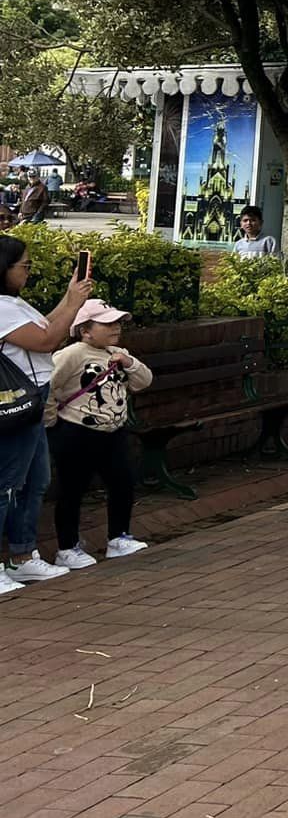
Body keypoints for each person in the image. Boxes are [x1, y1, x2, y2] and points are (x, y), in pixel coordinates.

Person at [0, 236, 93, 590]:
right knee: (6, 483)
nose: (28, 272)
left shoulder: (14, 303)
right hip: (14, 401)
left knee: (35, 480)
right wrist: (75, 302)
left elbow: (47, 326)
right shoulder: (2, 307)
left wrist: (71, 297)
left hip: (34, 398)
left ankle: (23, 556)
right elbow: (47, 340)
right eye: (24, 266)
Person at [47, 297, 151, 567]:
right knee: (72, 488)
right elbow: (48, 385)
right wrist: (51, 421)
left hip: (113, 431)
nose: (115, 328)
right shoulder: (72, 354)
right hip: (76, 431)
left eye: (118, 323)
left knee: (122, 481)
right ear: (85, 330)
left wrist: (129, 363)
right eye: (107, 324)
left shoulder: (117, 353)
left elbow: (144, 381)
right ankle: (67, 547)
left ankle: (118, 537)